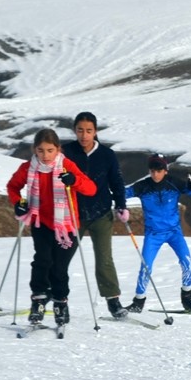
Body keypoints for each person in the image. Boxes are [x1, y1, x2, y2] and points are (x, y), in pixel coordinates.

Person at [5, 128, 97, 326]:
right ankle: (38, 299)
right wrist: (18, 203)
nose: (45, 155)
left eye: (49, 150)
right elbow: (13, 186)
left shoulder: (66, 166)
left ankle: (60, 303)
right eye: (40, 150)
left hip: (66, 225)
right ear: (34, 150)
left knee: (59, 267)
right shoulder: (28, 167)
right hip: (42, 222)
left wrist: (74, 181)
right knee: (42, 261)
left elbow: (91, 189)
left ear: (58, 149)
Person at [62, 111, 129, 319]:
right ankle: (55, 298)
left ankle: (113, 302)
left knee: (104, 258)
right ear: (75, 130)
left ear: (95, 132)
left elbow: (116, 181)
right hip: (73, 214)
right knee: (62, 257)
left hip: (101, 213)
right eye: (80, 130)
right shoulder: (65, 152)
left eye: (88, 131)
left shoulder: (107, 155)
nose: (84, 135)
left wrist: (121, 205)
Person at [123, 154, 191, 313]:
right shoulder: (143, 186)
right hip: (153, 234)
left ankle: (187, 298)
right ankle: (138, 302)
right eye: (153, 170)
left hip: (174, 232)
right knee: (146, 267)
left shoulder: (174, 183)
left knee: (187, 262)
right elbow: (123, 193)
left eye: (159, 170)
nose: (155, 174)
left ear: (165, 171)